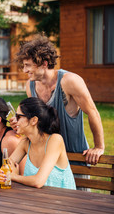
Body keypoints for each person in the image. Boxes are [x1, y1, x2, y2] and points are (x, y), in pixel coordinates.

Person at [14, 34, 104, 165]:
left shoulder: (69, 81)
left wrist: (99, 147)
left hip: (75, 158)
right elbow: (37, 121)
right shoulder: (30, 85)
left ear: (44, 64)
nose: (24, 70)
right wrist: (21, 121)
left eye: (28, 65)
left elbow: (92, 112)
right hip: (47, 160)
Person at [0, 97, 76, 190]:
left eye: (18, 116)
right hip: (36, 201)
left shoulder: (55, 140)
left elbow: (39, 181)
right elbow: (6, 169)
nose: (14, 120)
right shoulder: (25, 143)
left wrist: (13, 176)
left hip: (64, 201)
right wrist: (2, 174)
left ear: (34, 120)